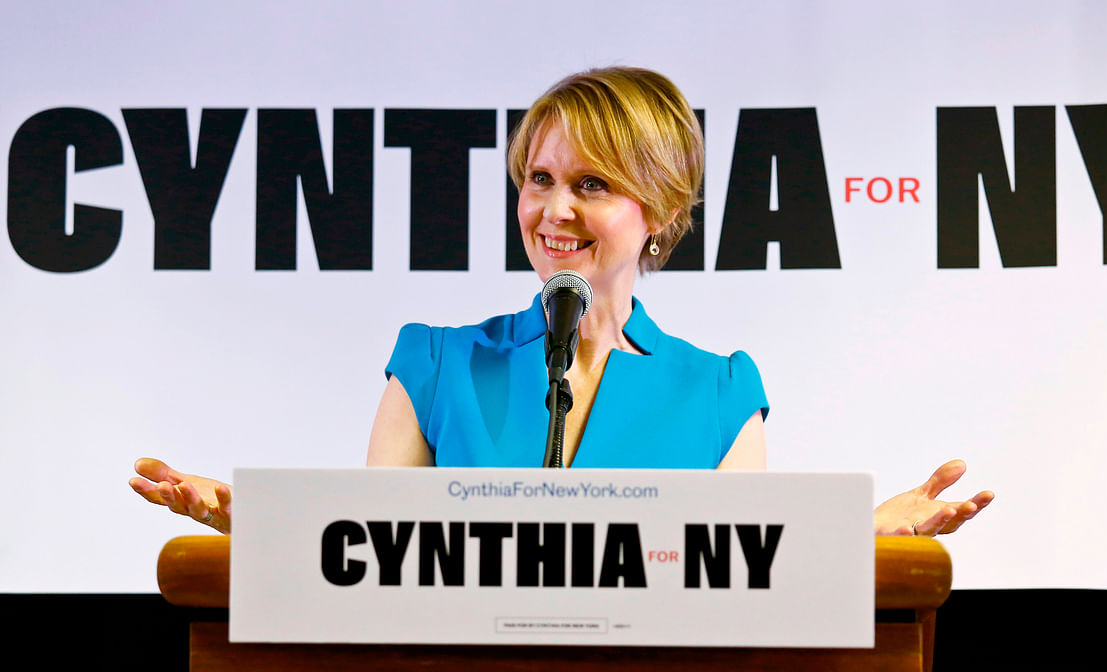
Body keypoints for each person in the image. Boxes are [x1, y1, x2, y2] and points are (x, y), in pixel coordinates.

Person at [130, 67, 993, 538]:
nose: (553, 211)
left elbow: (744, 580)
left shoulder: (722, 391)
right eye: (537, 180)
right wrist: (257, 531)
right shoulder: (433, 363)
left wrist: (862, 541)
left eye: (591, 183)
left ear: (657, 210)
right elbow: (372, 557)